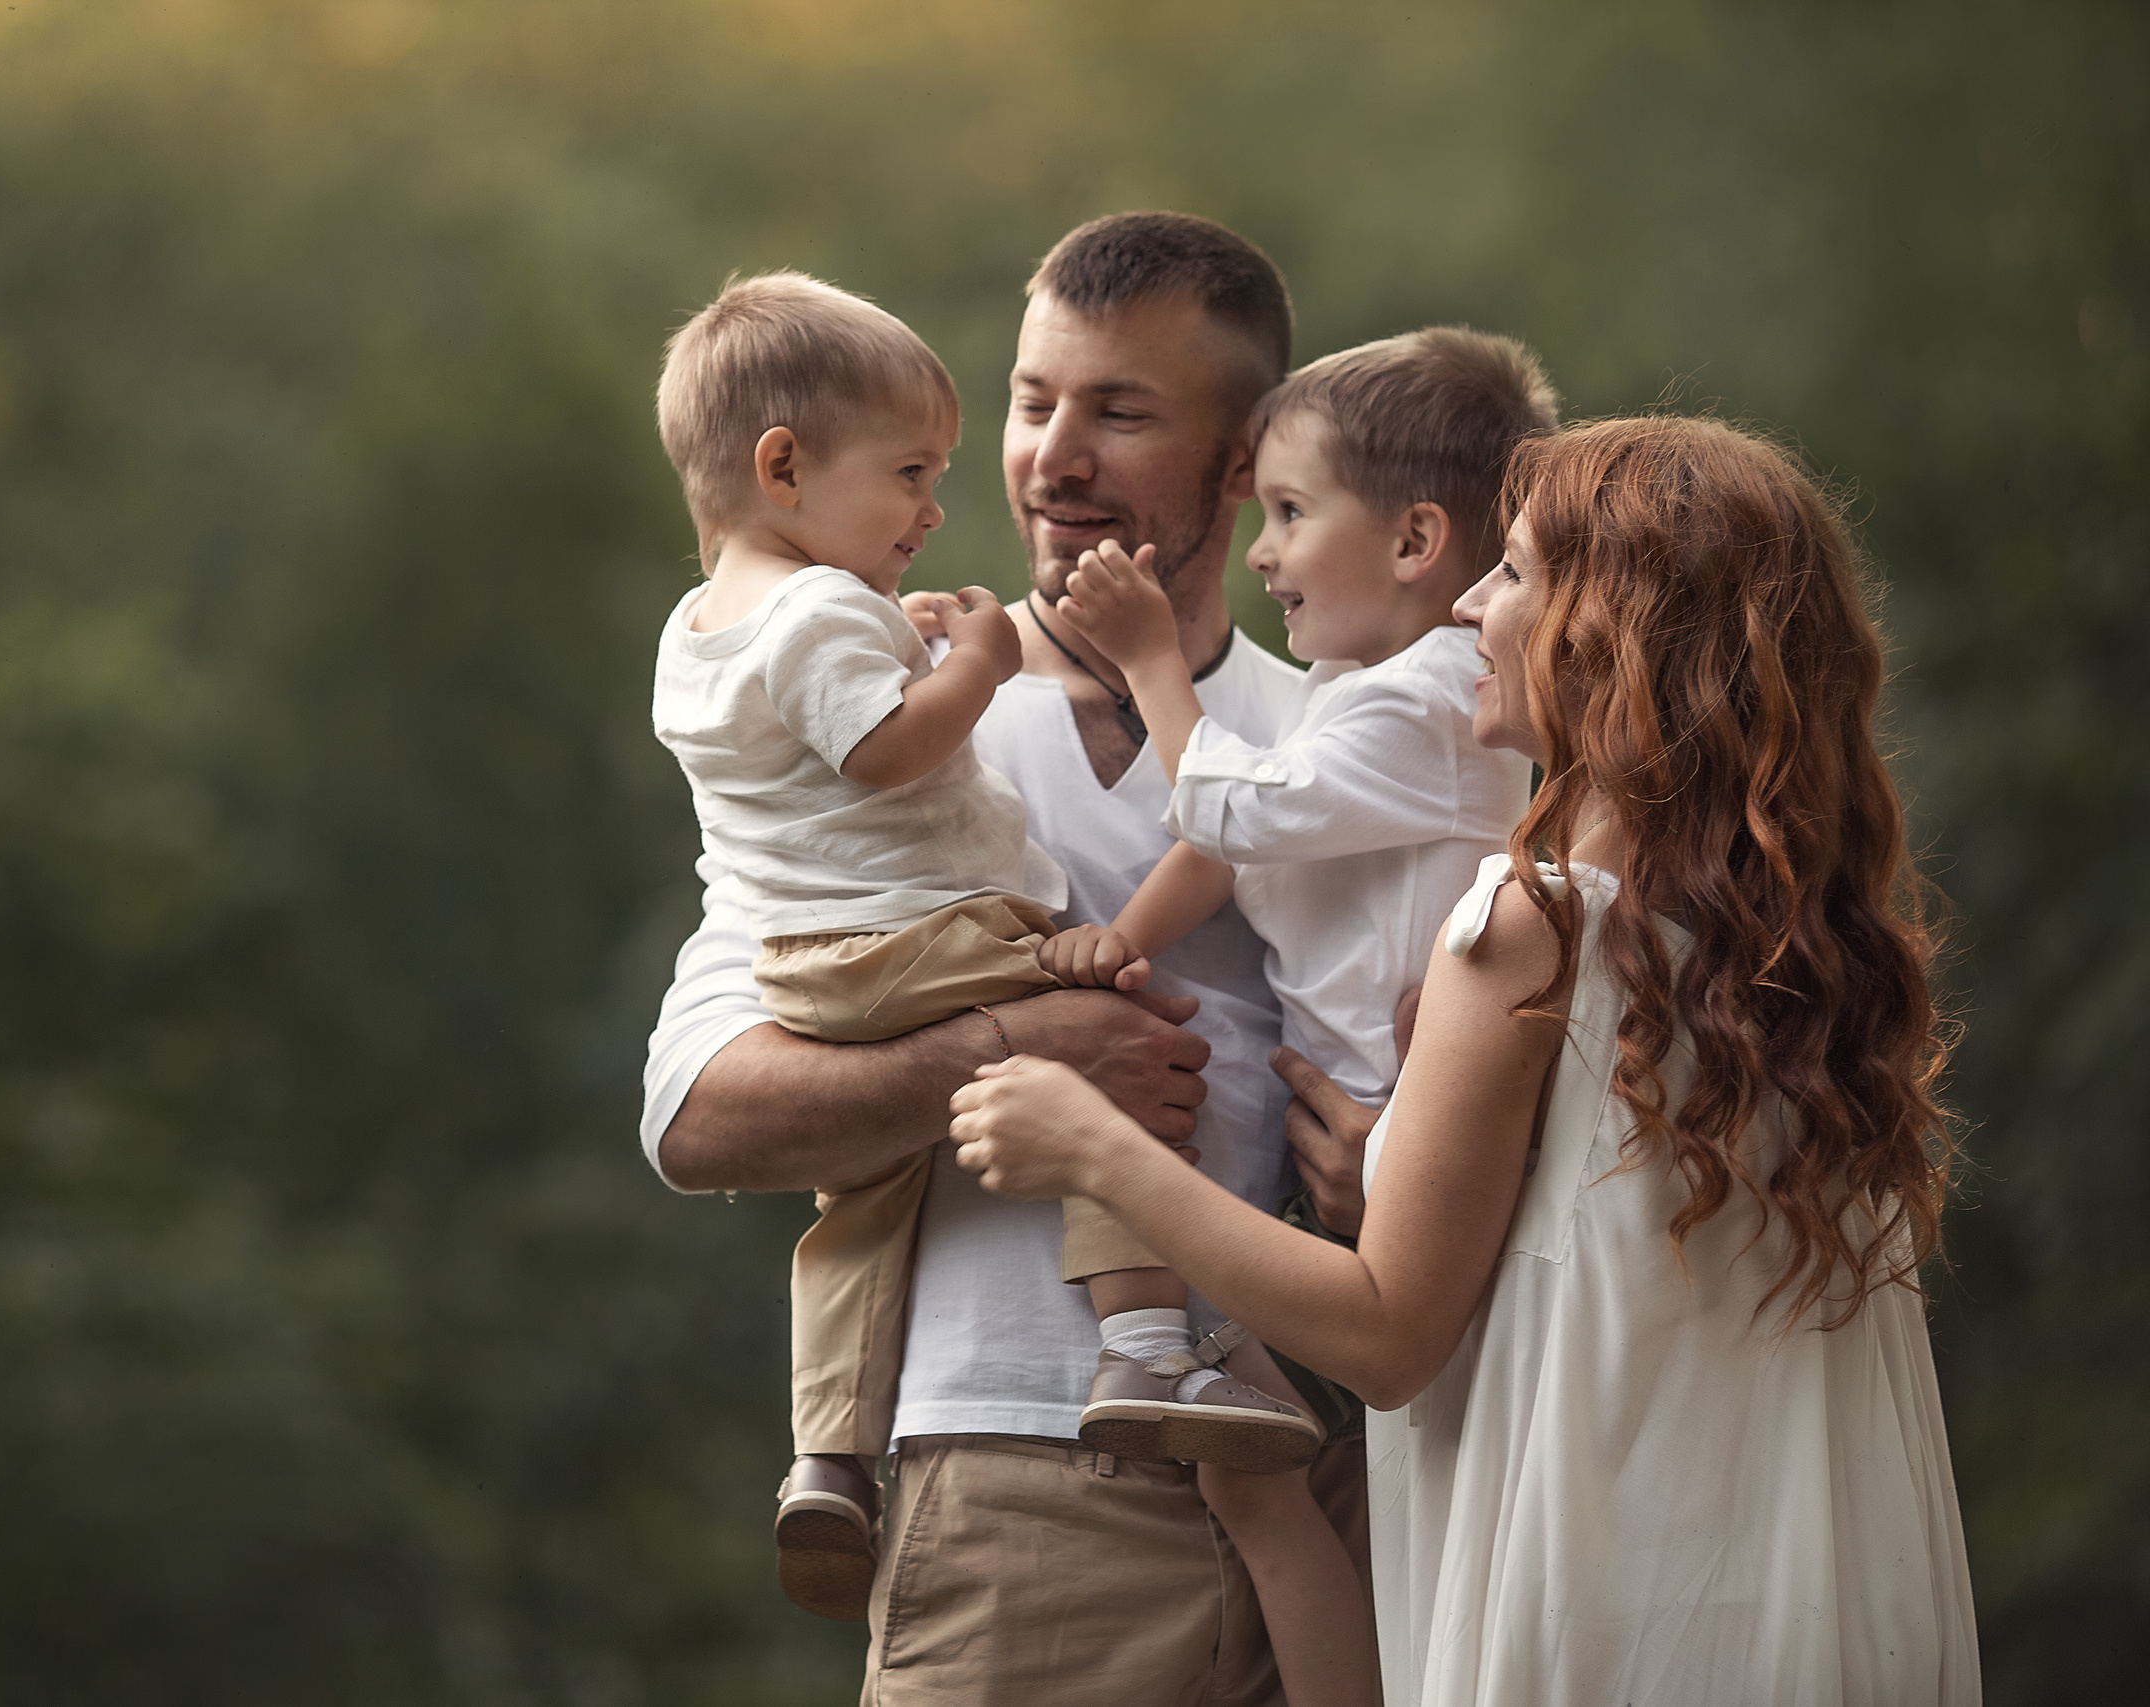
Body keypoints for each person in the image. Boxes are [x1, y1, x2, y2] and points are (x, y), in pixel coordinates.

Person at [948, 415, 1982, 1706]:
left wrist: (1091, 1145)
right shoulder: (1792, 961)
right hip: (1803, 1607)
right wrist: (1387, 1181)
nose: (1470, 608)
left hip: (1601, 1610)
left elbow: (1386, 1335)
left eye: (1514, 573)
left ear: (1612, 633)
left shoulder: (1535, 925)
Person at [643, 212, 1355, 1703]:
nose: (1053, 460)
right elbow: (697, 1120)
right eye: (1035, 405)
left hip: (1336, 1463)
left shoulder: (1345, 739)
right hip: (1018, 1475)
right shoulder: (869, 715)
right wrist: (1019, 1050)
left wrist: (1382, 1167)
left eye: (1121, 413)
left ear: (1245, 460)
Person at [1035, 328, 1556, 1689]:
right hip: (1344, 1155)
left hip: (1407, 1154)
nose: (1262, 553)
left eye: (1288, 512)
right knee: (1272, 1489)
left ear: (1415, 540)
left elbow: (1234, 811)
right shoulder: (1353, 694)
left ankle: (1158, 1357)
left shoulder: (1432, 703)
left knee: (1289, 1490)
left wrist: (1154, 660)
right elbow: (1232, 846)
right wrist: (1120, 945)